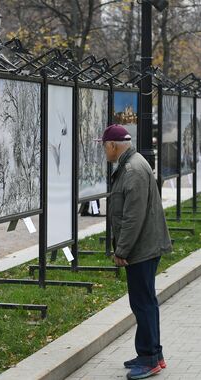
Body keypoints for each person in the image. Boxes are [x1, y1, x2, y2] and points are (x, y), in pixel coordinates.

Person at [100, 124, 172, 380]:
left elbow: (132, 217)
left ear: (113, 145)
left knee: (143, 303)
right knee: (145, 302)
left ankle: (150, 358)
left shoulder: (132, 170)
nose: (104, 150)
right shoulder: (135, 163)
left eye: (104, 145)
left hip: (142, 248)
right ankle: (152, 353)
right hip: (145, 246)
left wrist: (122, 250)